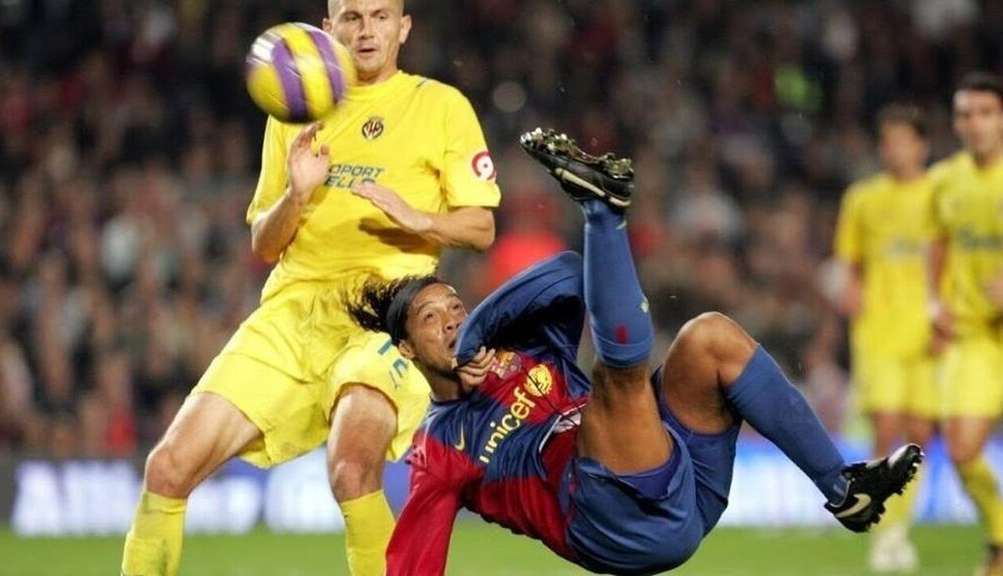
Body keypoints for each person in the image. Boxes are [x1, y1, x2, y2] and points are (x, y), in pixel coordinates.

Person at [348, 128, 923, 576]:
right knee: (611, 386)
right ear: (406, 348)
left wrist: (479, 329)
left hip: (686, 481)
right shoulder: (440, 447)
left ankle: (842, 488)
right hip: (613, 524)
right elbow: (413, 562)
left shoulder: (517, 345)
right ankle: (603, 211)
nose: (453, 320)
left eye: (455, 306)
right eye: (433, 319)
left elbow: (569, 274)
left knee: (709, 337)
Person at [120, 1, 501, 575]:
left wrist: (420, 220)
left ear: (404, 27)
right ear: (328, 30)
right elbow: (263, 244)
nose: (366, 29)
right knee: (167, 469)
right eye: (352, 17)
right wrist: (296, 195)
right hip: (294, 310)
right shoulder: (294, 112)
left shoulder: (439, 106)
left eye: (379, 16)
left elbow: (482, 226)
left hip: (389, 315)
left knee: (351, 471)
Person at [833, 103, 938, 573]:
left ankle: (899, 529)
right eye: (889, 141)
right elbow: (848, 263)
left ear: (922, 145)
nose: (895, 149)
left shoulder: (940, 195)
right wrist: (851, 292)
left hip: (928, 331)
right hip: (878, 332)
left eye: (904, 140)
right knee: (885, 430)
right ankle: (883, 529)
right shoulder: (863, 197)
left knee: (920, 435)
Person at [927, 71, 1003, 576]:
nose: (974, 124)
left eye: (985, 112)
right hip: (976, 336)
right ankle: (1000, 538)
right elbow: (935, 244)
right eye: (965, 114)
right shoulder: (945, 180)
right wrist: (934, 301)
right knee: (961, 449)